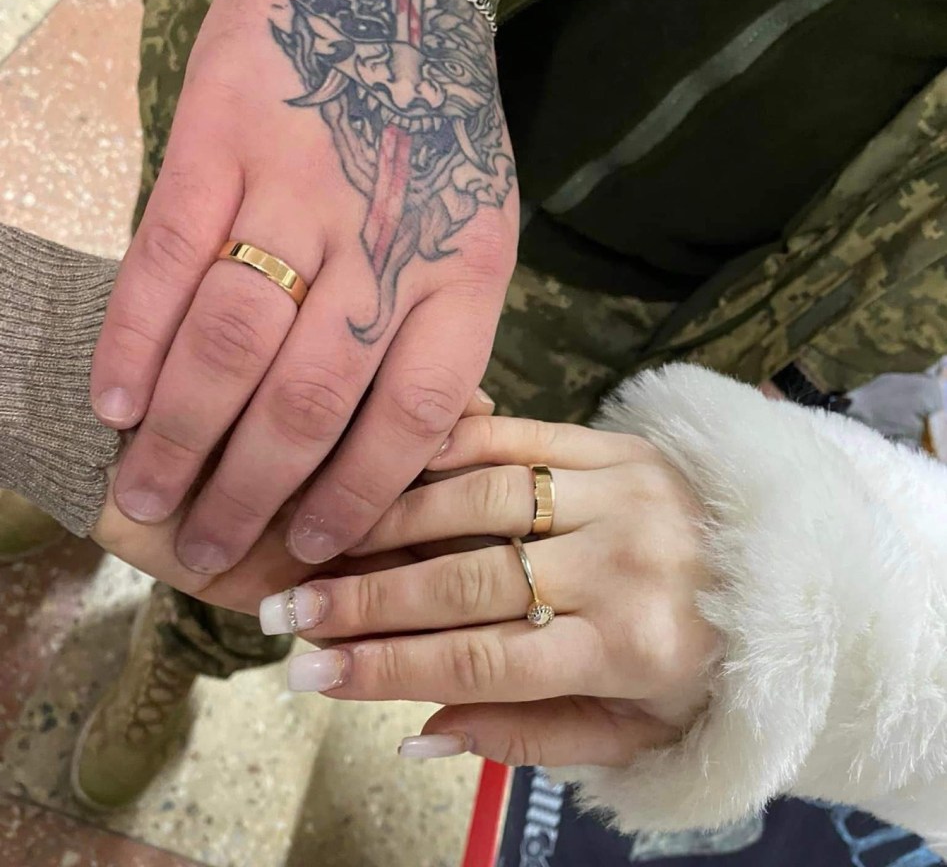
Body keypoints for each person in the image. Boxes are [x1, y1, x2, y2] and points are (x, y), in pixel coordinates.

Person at [3, 0, 947, 818]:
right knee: (205, 305)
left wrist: (811, 374)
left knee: (335, 518)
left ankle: (189, 644)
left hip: (667, 298)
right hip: (418, 4)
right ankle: (83, 435)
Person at [0, 222, 945, 857]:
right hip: (454, 123)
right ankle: (105, 467)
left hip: (738, 294)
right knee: (233, 364)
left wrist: (831, 625)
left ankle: (177, 633)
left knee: (349, 540)